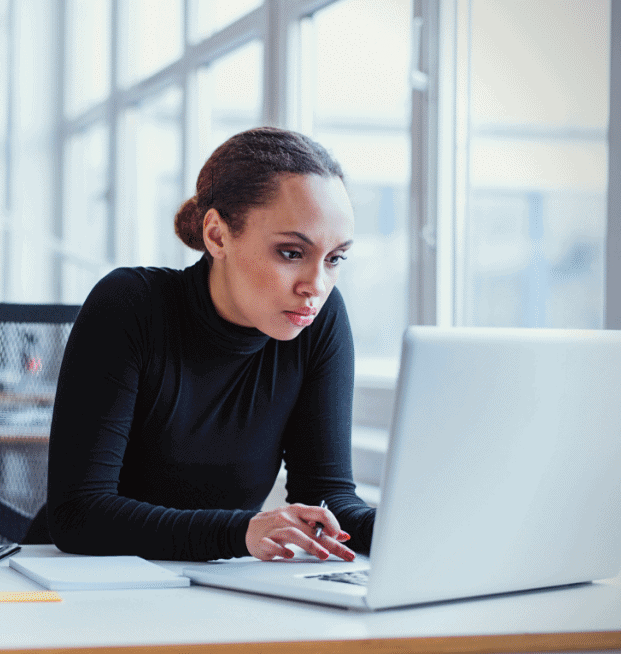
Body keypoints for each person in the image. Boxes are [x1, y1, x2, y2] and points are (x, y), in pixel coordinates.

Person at [47, 127, 376, 562]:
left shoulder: (319, 321)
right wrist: (241, 532)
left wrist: (419, 526)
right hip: (82, 586)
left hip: (211, 589)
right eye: (292, 253)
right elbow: (77, 515)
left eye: (334, 259)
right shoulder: (129, 305)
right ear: (217, 235)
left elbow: (328, 499)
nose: (316, 286)